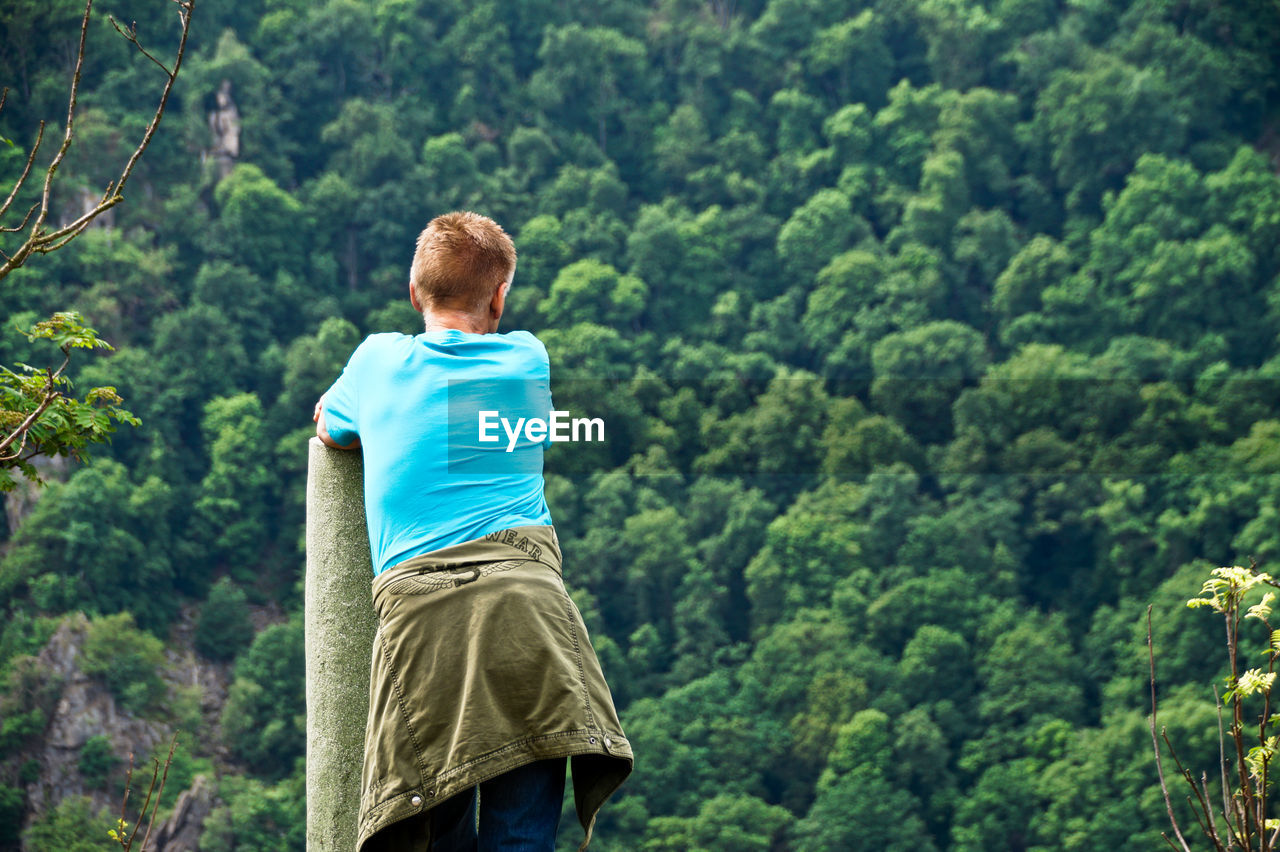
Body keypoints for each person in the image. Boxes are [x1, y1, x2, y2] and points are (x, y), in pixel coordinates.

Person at [314, 211, 632, 852]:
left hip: (427, 631)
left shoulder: (376, 361)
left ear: (414, 294)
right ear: (499, 296)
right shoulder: (527, 357)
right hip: (528, 618)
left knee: (437, 834)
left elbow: (329, 423)